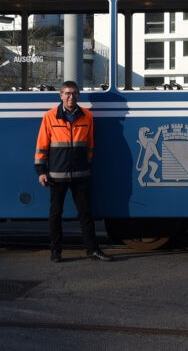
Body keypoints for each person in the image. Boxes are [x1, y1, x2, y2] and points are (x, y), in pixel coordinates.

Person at [34, 80, 112, 262]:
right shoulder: (50, 116)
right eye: (67, 93)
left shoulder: (87, 116)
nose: (71, 97)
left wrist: (87, 164)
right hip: (56, 175)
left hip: (80, 174)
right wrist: (41, 171)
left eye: (74, 93)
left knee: (86, 214)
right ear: (60, 95)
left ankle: (92, 250)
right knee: (55, 215)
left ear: (78, 95)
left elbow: (90, 145)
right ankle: (55, 251)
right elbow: (42, 145)